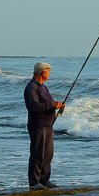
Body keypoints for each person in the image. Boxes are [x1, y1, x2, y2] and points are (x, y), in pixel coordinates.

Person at [24, 61, 65, 189]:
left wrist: (57, 105)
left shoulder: (43, 87)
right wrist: (52, 105)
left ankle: (45, 181)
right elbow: (33, 106)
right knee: (37, 154)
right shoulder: (31, 87)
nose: (49, 74)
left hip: (48, 126)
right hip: (38, 126)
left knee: (48, 155)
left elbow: (48, 103)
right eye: (48, 71)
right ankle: (34, 182)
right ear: (43, 73)